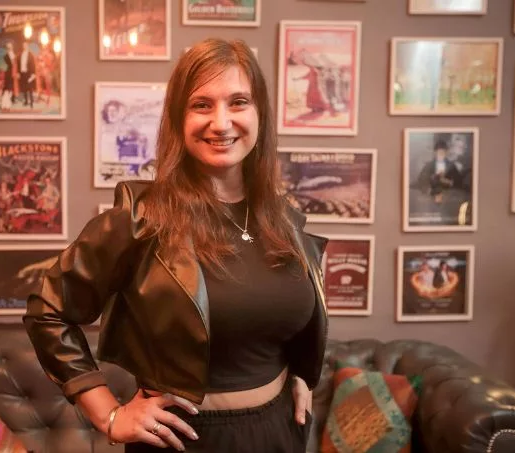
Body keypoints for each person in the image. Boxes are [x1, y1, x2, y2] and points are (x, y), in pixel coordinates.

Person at [23, 38, 329, 452]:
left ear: (260, 114)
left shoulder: (283, 220)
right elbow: (48, 311)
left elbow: (279, 322)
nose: (221, 122)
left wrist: (299, 374)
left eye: (238, 102)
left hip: (279, 432)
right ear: (178, 119)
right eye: (201, 105)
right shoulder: (141, 218)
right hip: (182, 440)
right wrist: (109, 414)